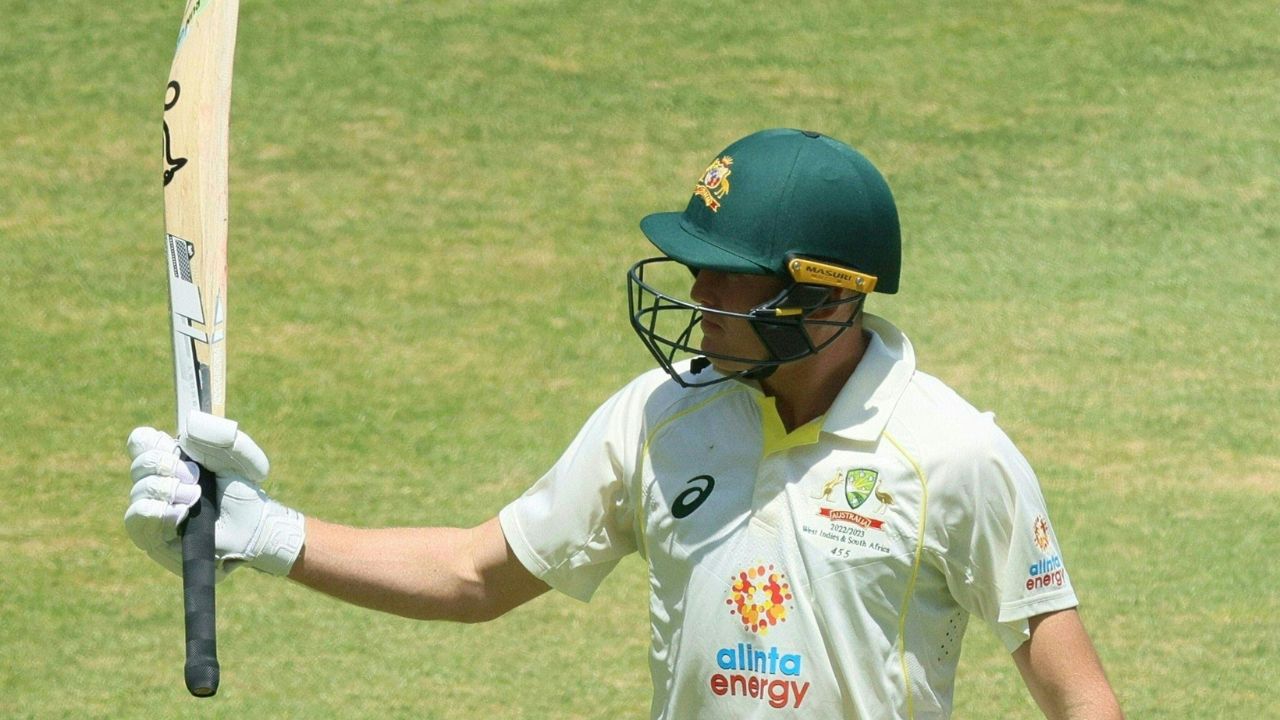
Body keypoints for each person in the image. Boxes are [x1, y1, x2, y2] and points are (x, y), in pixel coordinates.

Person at [126, 128, 1123, 719]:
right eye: (695, 265)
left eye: (728, 274)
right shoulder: (656, 418)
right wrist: (266, 532)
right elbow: (475, 575)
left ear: (825, 298)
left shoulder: (952, 455)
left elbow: (1078, 694)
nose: (697, 293)